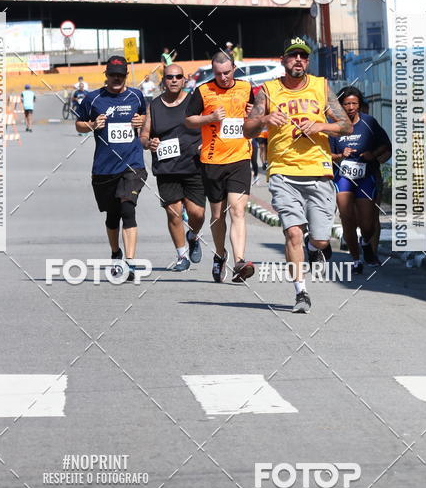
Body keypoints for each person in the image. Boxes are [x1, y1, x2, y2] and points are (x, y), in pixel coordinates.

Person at [244, 37, 352, 314]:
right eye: (293, 56)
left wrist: (319, 126)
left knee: (321, 239)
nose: (299, 61)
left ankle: (315, 246)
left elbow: (346, 126)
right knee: (293, 233)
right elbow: (248, 130)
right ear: (283, 61)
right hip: (282, 172)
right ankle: (301, 292)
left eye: (303, 57)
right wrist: (265, 120)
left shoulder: (321, 87)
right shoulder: (267, 91)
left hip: (319, 172)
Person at [75, 56, 147, 281]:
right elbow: (78, 124)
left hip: (132, 165)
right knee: (112, 214)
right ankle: (116, 253)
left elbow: (144, 115)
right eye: (113, 74)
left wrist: (140, 122)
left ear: (126, 75)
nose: (117, 78)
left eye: (121, 74)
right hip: (104, 168)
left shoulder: (136, 95)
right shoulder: (92, 98)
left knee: (128, 209)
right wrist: (92, 125)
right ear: (106, 75)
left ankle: (131, 262)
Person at [185, 51, 255, 283]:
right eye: (218, 74)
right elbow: (189, 119)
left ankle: (239, 262)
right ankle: (220, 254)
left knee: (237, 211)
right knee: (217, 215)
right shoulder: (203, 91)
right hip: (212, 161)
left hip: (240, 159)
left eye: (226, 73)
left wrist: (252, 114)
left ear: (234, 68)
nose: (223, 78)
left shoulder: (246, 88)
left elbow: (257, 116)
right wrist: (210, 117)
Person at [140, 64, 205, 271]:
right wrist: (148, 143)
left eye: (178, 77)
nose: (174, 80)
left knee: (197, 214)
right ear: (164, 80)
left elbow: (209, 124)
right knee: (174, 213)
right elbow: (143, 135)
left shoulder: (195, 101)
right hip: (167, 168)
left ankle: (193, 236)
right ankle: (181, 256)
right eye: (170, 77)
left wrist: (206, 143)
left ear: (184, 79)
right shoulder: (154, 106)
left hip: (194, 165)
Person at [329, 87, 392, 274]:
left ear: (359, 105)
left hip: (366, 176)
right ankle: (356, 260)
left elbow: (386, 145)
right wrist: (340, 154)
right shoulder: (333, 126)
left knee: (367, 223)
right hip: (343, 178)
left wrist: (372, 154)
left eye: (354, 103)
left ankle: (365, 242)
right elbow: (325, 154)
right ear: (340, 106)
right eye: (346, 103)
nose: (350, 107)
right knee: (347, 219)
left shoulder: (369, 122)